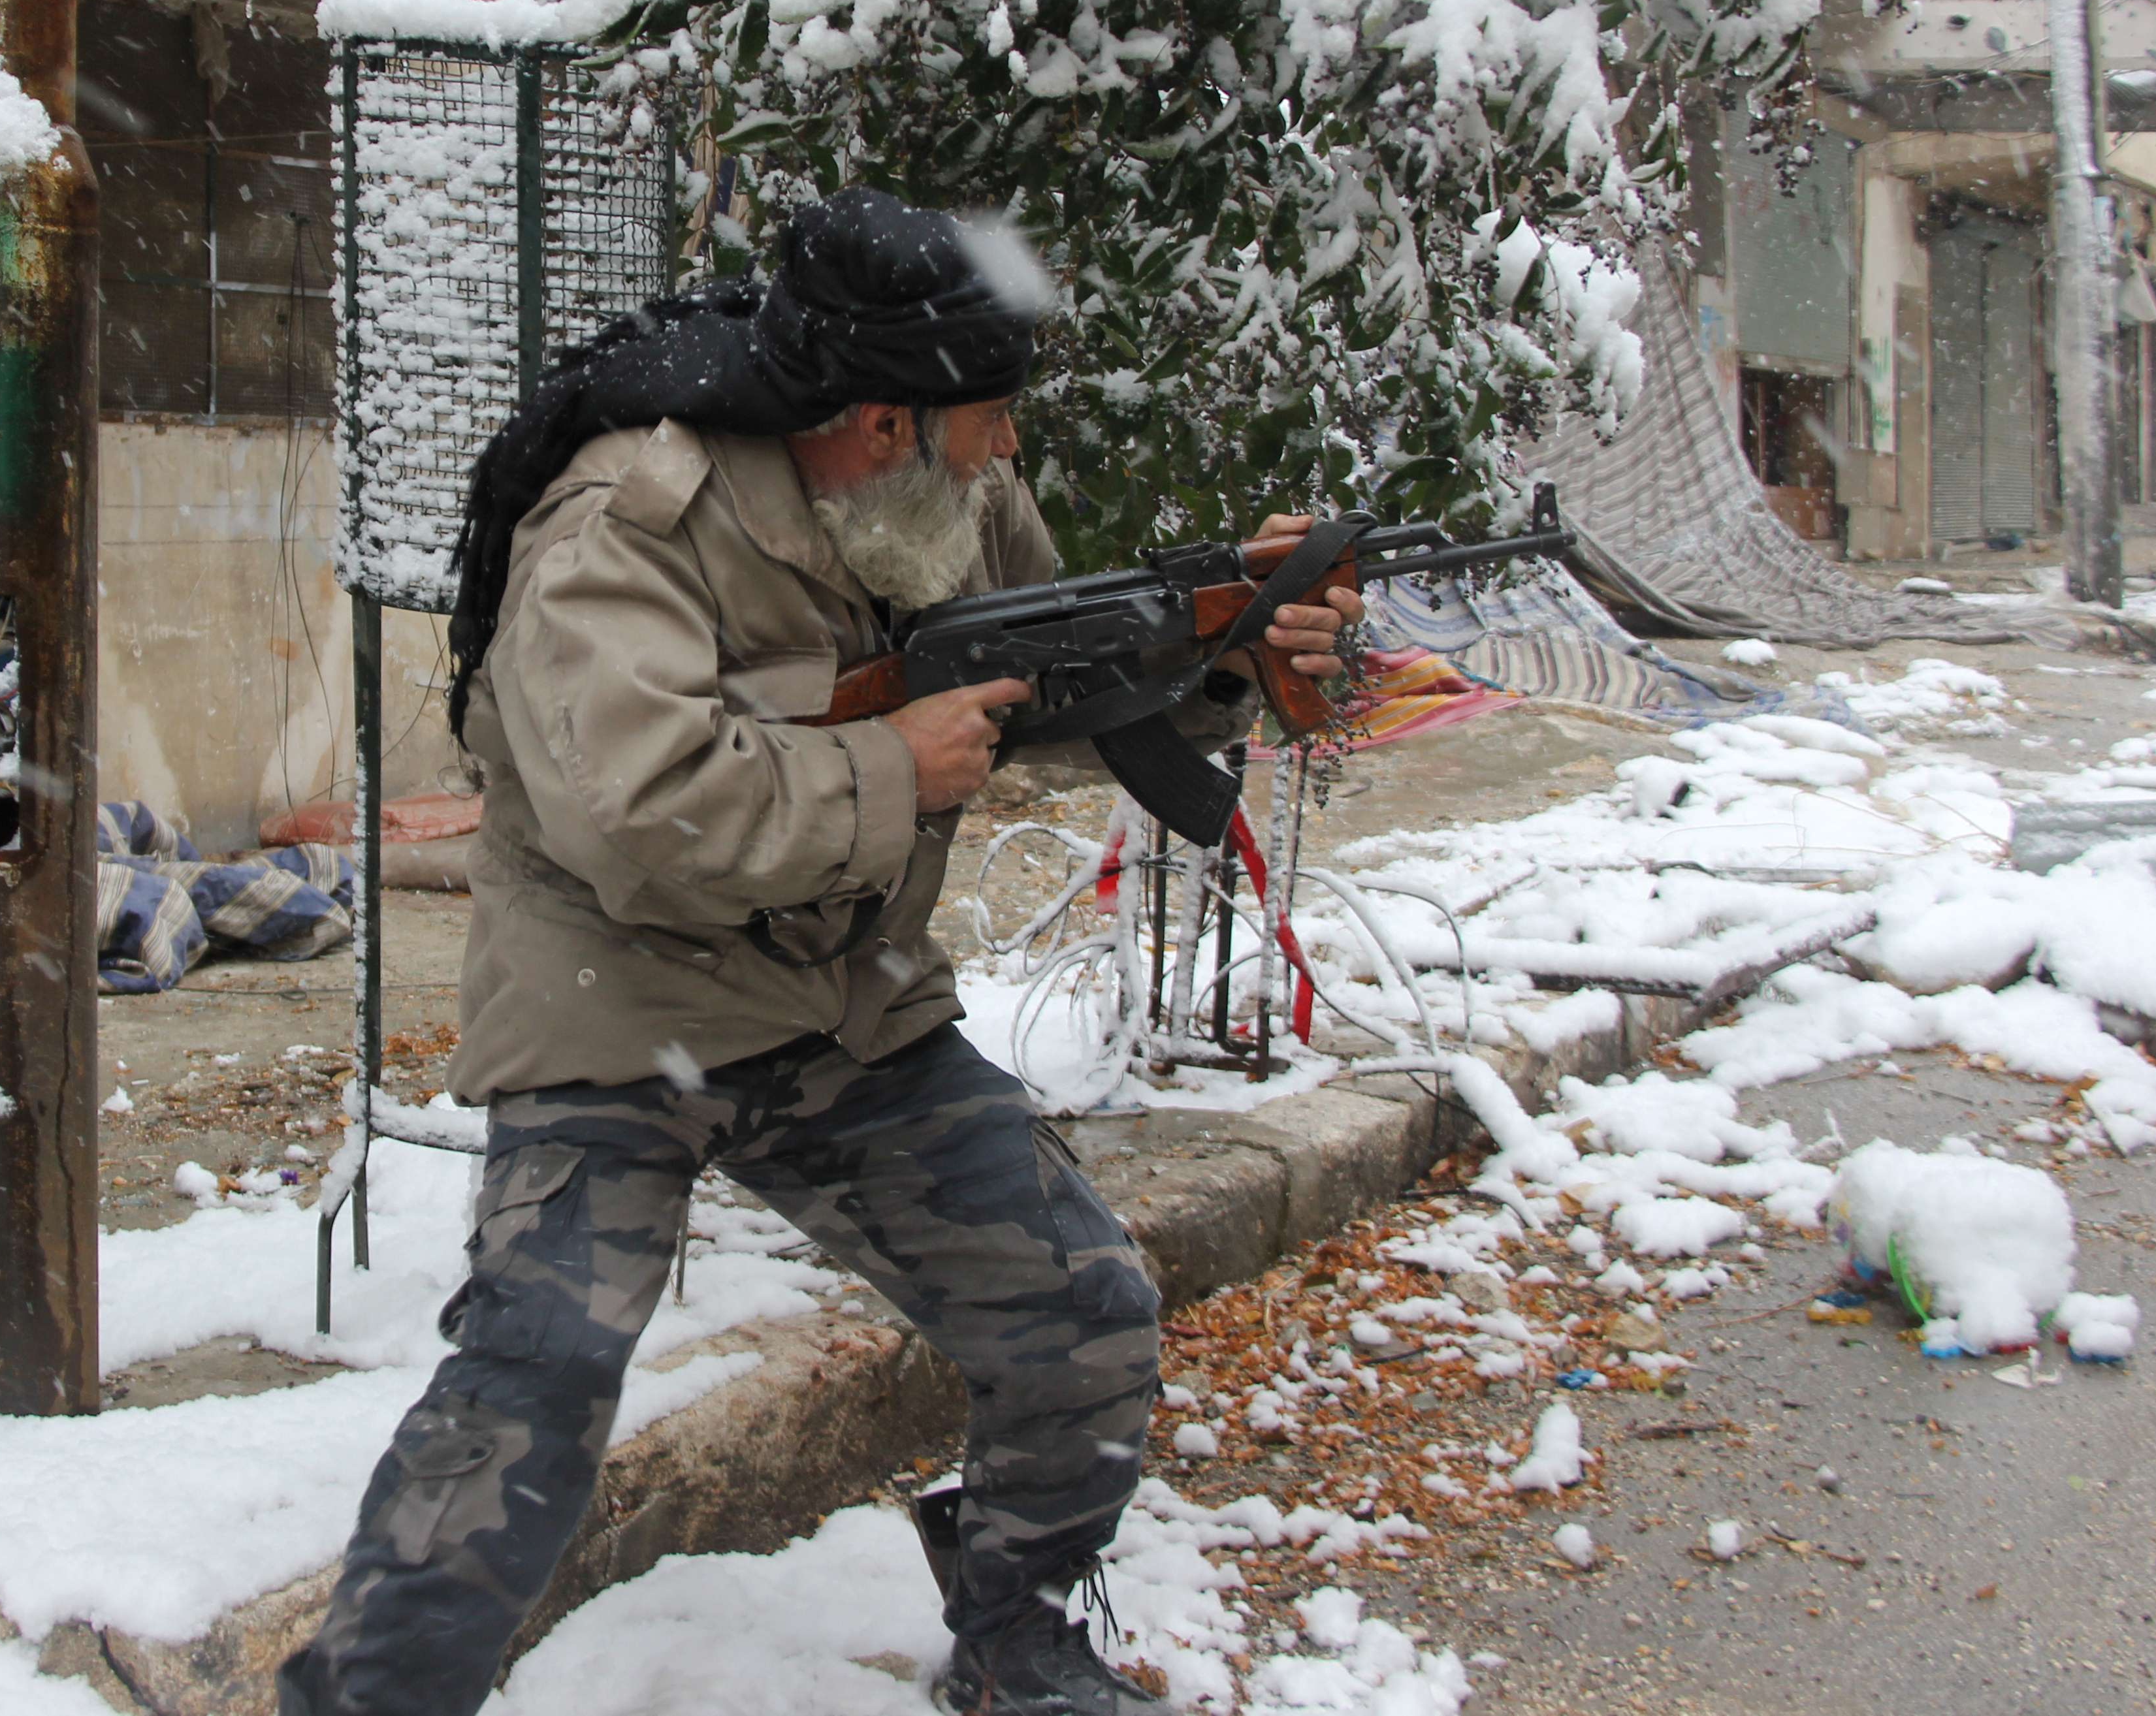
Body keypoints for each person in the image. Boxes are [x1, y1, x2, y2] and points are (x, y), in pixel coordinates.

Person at [275, 188, 1368, 1716]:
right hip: (616, 999)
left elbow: (1026, 680)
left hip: (845, 1007)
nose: (1008, 458)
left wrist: (1218, 652)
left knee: (1079, 1311)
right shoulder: (626, 520)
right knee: (535, 1378)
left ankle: (1013, 1646)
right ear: (874, 420)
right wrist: (885, 772)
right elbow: (633, 811)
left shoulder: (946, 490)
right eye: (988, 424)